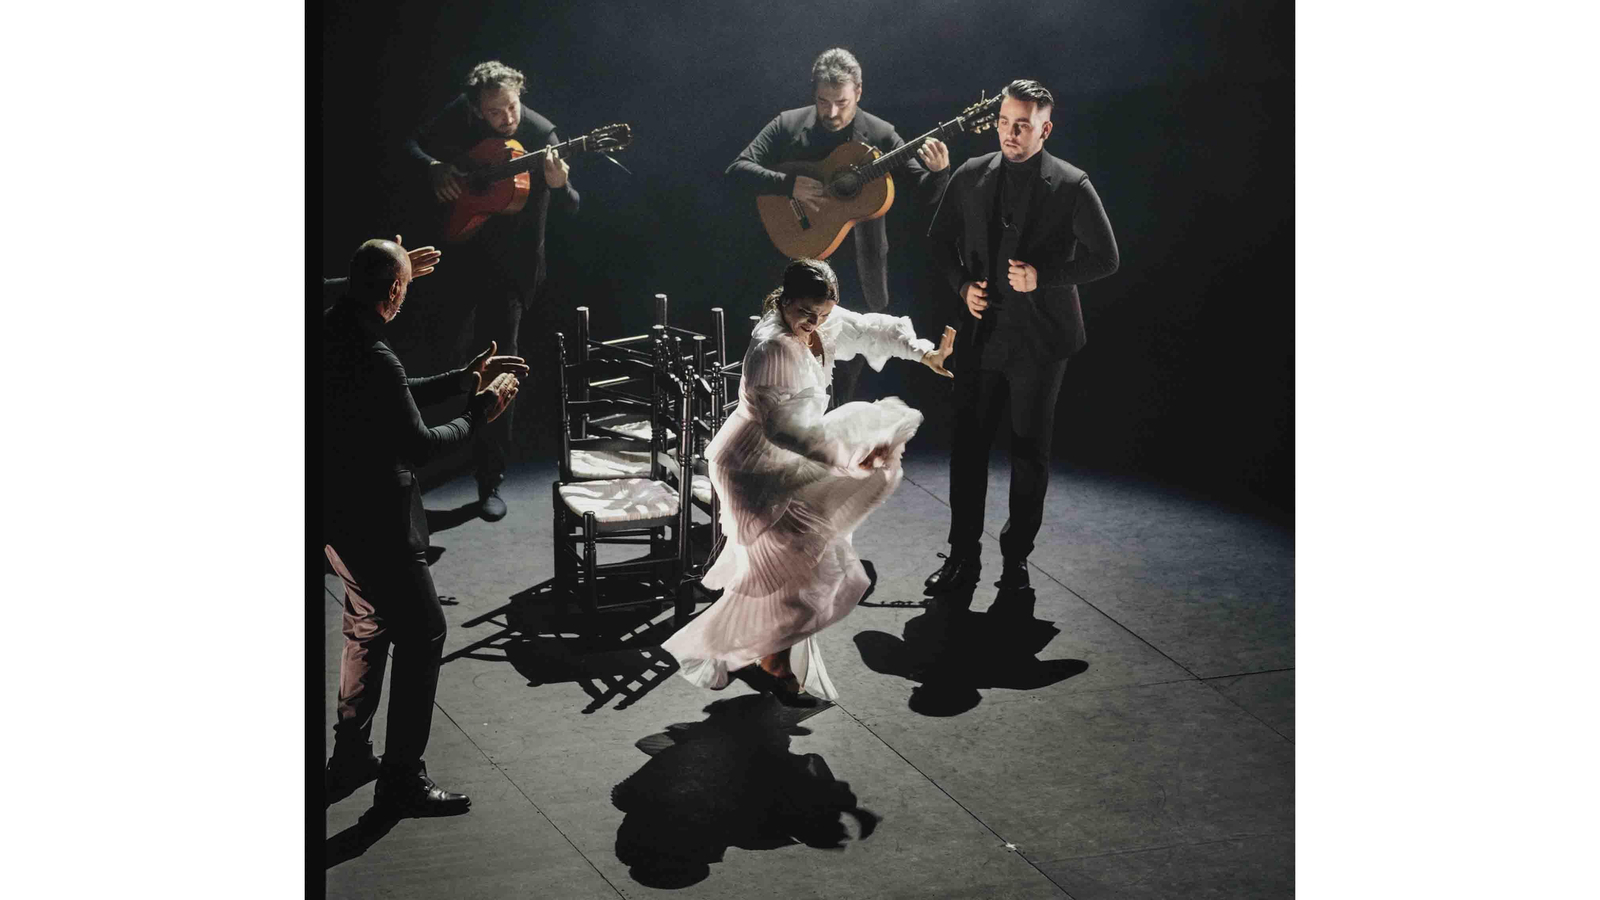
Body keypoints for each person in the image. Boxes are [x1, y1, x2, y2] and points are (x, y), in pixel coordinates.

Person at [662, 259, 956, 704]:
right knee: (804, 565)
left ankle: (768, 658)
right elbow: (786, 430)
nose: (815, 324)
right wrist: (850, 457)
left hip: (788, 459)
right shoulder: (773, 347)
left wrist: (922, 351)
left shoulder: (822, 321)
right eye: (806, 313)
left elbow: (869, 329)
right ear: (784, 300)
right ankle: (765, 659)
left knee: (806, 563)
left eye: (823, 314)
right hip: (751, 468)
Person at [323, 238, 526, 815]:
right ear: (393, 291)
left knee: (366, 626)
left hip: (335, 515)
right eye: (406, 286)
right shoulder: (376, 354)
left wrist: (462, 380)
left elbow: (391, 400)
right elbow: (417, 442)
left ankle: (351, 755)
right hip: (379, 522)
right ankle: (401, 780)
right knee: (424, 633)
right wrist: (480, 415)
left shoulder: (329, 329)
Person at [923, 79, 1120, 598]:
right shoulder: (970, 175)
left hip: (1041, 341)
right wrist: (963, 287)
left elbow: (1106, 258)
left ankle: (1017, 563)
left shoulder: (1073, 184)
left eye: (1024, 125)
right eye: (1005, 121)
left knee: (1030, 453)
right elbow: (938, 244)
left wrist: (1045, 276)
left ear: (1045, 128)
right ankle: (963, 557)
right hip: (982, 335)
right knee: (968, 451)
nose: (1011, 132)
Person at [404, 60, 579, 521]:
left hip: (512, 270)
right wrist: (436, 167)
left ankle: (490, 479)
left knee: (498, 369)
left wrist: (560, 186)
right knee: (444, 357)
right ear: (476, 109)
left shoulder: (542, 135)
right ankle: (426, 467)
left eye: (512, 106)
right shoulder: (461, 114)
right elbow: (412, 144)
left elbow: (575, 203)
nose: (507, 118)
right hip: (456, 256)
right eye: (495, 112)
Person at [726, 47, 952, 404]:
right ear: (813, 92)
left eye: (841, 103)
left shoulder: (880, 134)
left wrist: (939, 174)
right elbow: (738, 170)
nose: (831, 112)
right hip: (796, 259)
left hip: (856, 272)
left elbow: (925, 194)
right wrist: (789, 184)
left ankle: (833, 454)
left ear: (858, 92)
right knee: (783, 368)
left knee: (844, 377)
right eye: (823, 101)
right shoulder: (787, 124)